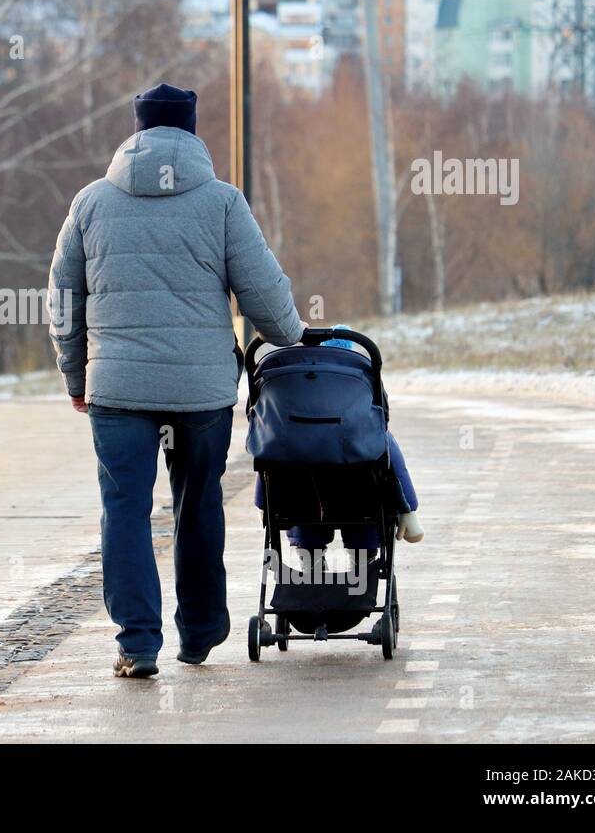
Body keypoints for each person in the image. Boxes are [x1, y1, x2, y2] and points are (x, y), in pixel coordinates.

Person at [48, 83, 304, 678]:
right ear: (191, 131)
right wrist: (293, 338)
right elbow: (263, 291)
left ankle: (137, 643)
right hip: (202, 392)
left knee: (125, 509)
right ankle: (201, 631)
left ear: (136, 132)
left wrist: (73, 372)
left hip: (117, 389)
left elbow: (63, 299)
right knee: (198, 503)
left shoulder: (90, 203)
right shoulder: (221, 202)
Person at [253, 325, 423, 574]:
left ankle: (311, 567)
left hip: (301, 503)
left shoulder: (283, 436)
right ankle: (362, 567)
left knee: (301, 506)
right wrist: (408, 509)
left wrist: (264, 504)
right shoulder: (370, 432)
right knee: (365, 508)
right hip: (358, 499)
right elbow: (394, 465)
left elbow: (267, 463)